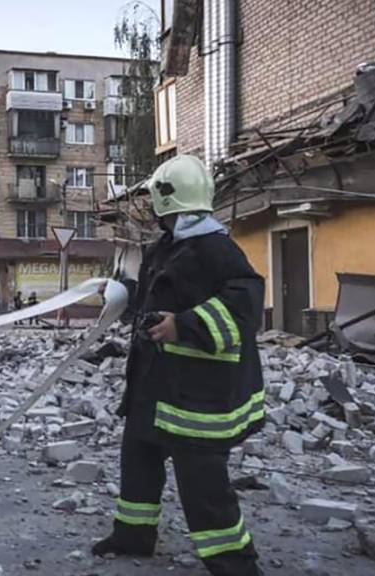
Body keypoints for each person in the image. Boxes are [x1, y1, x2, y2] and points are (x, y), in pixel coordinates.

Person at [91, 155, 265, 576]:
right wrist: (121, 292)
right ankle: (133, 535)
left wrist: (183, 326)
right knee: (138, 460)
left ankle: (234, 564)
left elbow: (246, 304)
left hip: (196, 397)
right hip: (156, 387)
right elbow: (154, 294)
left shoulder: (216, 248)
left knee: (203, 485)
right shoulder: (167, 247)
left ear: (166, 203)